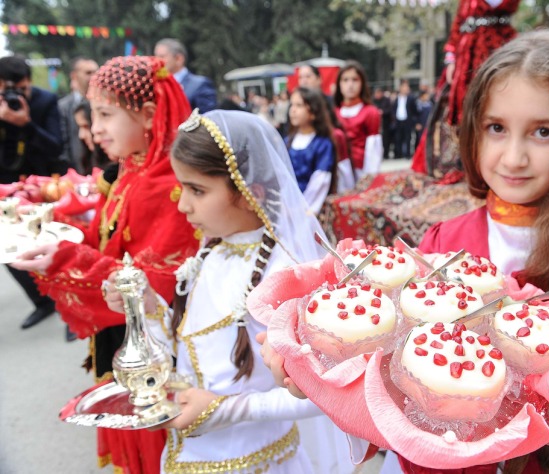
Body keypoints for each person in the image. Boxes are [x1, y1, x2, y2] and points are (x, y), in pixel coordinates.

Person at [263, 30, 549, 472]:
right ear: (472, 131)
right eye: (496, 128)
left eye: (543, 132)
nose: (513, 158)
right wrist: (319, 371)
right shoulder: (442, 245)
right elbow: (389, 389)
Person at [104, 109, 352, 473]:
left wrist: (226, 409)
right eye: (182, 188)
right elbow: (191, 353)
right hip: (189, 456)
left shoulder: (285, 275)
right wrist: (147, 306)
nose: (183, 205)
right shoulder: (212, 251)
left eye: (197, 190)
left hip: (259, 462)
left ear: (251, 192)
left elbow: (323, 392)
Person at [12, 56, 199, 474]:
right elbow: (102, 244)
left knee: (159, 449)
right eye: (92, 114)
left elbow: (150, 283)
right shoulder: (133, 169)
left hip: (153, 347)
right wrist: (50, 238)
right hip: (120, 336)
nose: (94, 129)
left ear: (148, 116)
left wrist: (63, 258)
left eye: (105, 114)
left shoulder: (170, 184)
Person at [411, 0, 520, 176]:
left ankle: (496, 157)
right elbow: (457, 24)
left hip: (500, 51)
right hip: (467, 55)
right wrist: (451, 57)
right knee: (463, 105)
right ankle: (465, 158)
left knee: (499, 103)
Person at [0, 55, 64, 330]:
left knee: (58, 241)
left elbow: (55, 146)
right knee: (9, 248)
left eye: (21, 89)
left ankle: (71, 300)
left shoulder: (46, 101)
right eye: (8, 89)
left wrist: (25, 123)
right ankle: (42, 302)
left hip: (46, 184)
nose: (15, 95)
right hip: (8, 186)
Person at [285, 86, 336, 214]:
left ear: (313, 112)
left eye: (299, 105)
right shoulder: (287, 141)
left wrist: (304, 209)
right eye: (291, 105)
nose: (293, 110)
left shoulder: (322, 144)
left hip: (309, 206)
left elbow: (320, 181)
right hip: (286, 204)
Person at [334, 61, 382, 179]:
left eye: (355, 80)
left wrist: (369, 178)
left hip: (361, 171)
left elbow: (373, 150)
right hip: (337, 172)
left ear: (362, 83)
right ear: (339, 84)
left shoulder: (371, 112)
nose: (350, 85)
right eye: (345, 80)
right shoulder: (333, 113)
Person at [58, 57, 98, 174]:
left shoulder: (105, 103)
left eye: (96, 72)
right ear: (74, 76)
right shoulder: (63, 107)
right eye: (88, 73)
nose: (93, 76)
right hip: (74, 171)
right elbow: (63, 145)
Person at [154, 38, 217, 113]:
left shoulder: (199, 85)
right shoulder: (156, 86)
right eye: (155, 57)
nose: (156, 61)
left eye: (162, 56)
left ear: (178, 59)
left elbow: (209, 120)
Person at [391, 79, 418, 159]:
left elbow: (414, 110)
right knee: (398, 137)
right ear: (400, 87)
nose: (405, 88)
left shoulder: (411, 98)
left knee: (408, 137)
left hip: (407, 120)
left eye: (407, 87)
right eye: (404, 87)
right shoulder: (396, 98)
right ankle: (398, 154)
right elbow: (393, 109)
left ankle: (407, 154)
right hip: (398, 120)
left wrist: (414, 121)